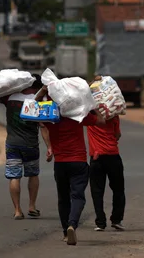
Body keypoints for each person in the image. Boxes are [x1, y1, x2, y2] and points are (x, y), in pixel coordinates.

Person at [42, 100, 106, 246]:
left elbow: (33, 109)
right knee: (78, 196)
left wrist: (43, 91)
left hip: (60, 163)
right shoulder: (78, 115)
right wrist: (93, 106)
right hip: (78, 162)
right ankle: (72, 225)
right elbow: (102, 121)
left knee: (63, 198)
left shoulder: (51, 117)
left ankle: (65, 232)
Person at [0, 75, 52, 220]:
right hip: (31, 145)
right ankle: (32, 206)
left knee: (14, 176)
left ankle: (18, 210)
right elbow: (43, 125)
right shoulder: (37, 101)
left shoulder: (10, 98)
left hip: (12, 144)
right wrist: (49, 147)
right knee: (33, 174)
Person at [87, 115, 125, 232]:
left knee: (97, 191)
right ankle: (116, 220)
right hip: (113, 155)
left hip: (96, 157)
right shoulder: (114, 115)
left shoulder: (90, 115)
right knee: (118, 189)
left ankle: (100, 222)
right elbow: (117, 135)